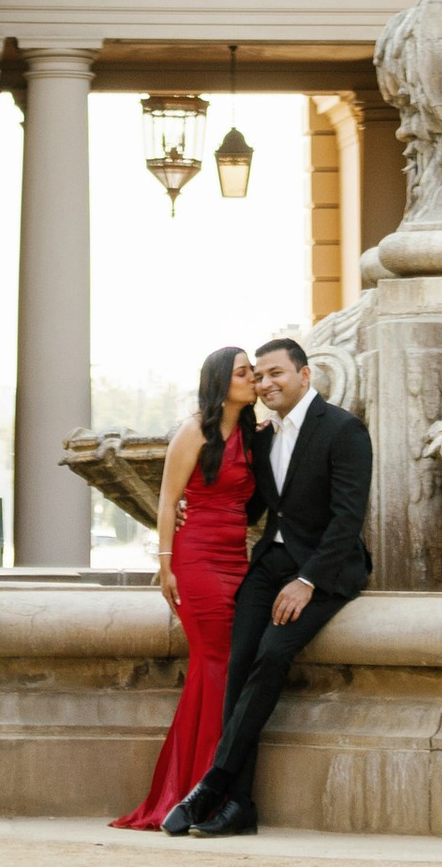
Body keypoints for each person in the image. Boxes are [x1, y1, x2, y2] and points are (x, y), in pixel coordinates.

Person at [162, 334, 372, 839]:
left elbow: (347, 520)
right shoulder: (260, 435)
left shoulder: (344, 430)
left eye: (276, 372)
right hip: (266, 566)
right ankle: (240, 806)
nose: (265, 381)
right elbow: (248, 502)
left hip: (323, 571)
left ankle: (214, 784)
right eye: (259, 373)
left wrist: (306, 581)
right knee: (237, 665)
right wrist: (194, 506)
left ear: (305, 375)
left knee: (272, 654)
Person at [114, 343, 263, 831]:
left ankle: (200, 789)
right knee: (215, 665)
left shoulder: (251, 432)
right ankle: (200, 790)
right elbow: (166, 500)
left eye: (255, 372)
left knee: (219, 668)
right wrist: (166, 564)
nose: (253, 379)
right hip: (196, 559)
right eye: (244, 372)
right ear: (223, 381)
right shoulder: (193, 429)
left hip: (235, 559)